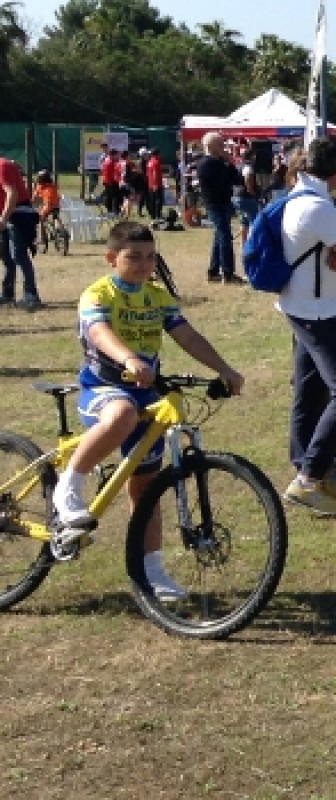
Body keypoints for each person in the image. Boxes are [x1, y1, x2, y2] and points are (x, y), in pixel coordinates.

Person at [53, 221, 246, 600]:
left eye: (150, 257)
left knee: (146, 491)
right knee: (121, 414)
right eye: (133, 257)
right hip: (103, 388)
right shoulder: (98, 294)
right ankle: (69, 486)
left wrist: (224, 369)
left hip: (146, 394)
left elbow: (187, 335)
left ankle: (152, 573)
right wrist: (128, 358)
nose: (144, 265)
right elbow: (98, 333)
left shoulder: (158, 297)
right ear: (112, 259)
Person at [278, 137, 336, 518]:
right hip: (320, 312)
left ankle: (310, 463)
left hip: (303, 307)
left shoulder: (297, 197)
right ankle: (309, 478)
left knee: (310, 388)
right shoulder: (317, 207)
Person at [195, 132, 242, 283]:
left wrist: (230, 163)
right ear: (210, 146)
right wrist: (226, 165)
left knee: (219, 236)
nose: (223, 147)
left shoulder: (220, 162)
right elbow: (222, 182)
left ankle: (213, 271)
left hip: (224, 202)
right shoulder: (206, 163)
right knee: (225, 236)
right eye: (220, 144)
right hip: (215, 204)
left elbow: (236, 180)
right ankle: (228, 273)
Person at [0, 153, 42, 309]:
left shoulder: (2, 166)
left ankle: (31, 295)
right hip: (7, 215)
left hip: (19, 214)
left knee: (18, 254)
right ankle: (7, 294)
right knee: (6, 256)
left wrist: (3, 219)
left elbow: (12, 194)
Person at [101, 148, 124, 217]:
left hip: (106, 181)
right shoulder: (112, 162)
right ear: (113, 155)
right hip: (112, 182)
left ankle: (110, 210)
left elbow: (102, 170)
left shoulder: (106, 161)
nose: (118, 156)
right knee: (115, 197)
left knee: (109, 197)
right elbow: (115, 172)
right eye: (117, 155)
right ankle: (115, 211)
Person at [143, 149, 164, 221]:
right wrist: (155, 184)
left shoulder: (149, 162)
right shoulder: (156, 162)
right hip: (156, 184)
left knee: (152, 200)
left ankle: (152, 214)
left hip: (150, 184)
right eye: (159, 154)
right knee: (158, 200)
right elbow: (155, 173)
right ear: (157, 154)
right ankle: (158, 215)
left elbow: (147, 174)